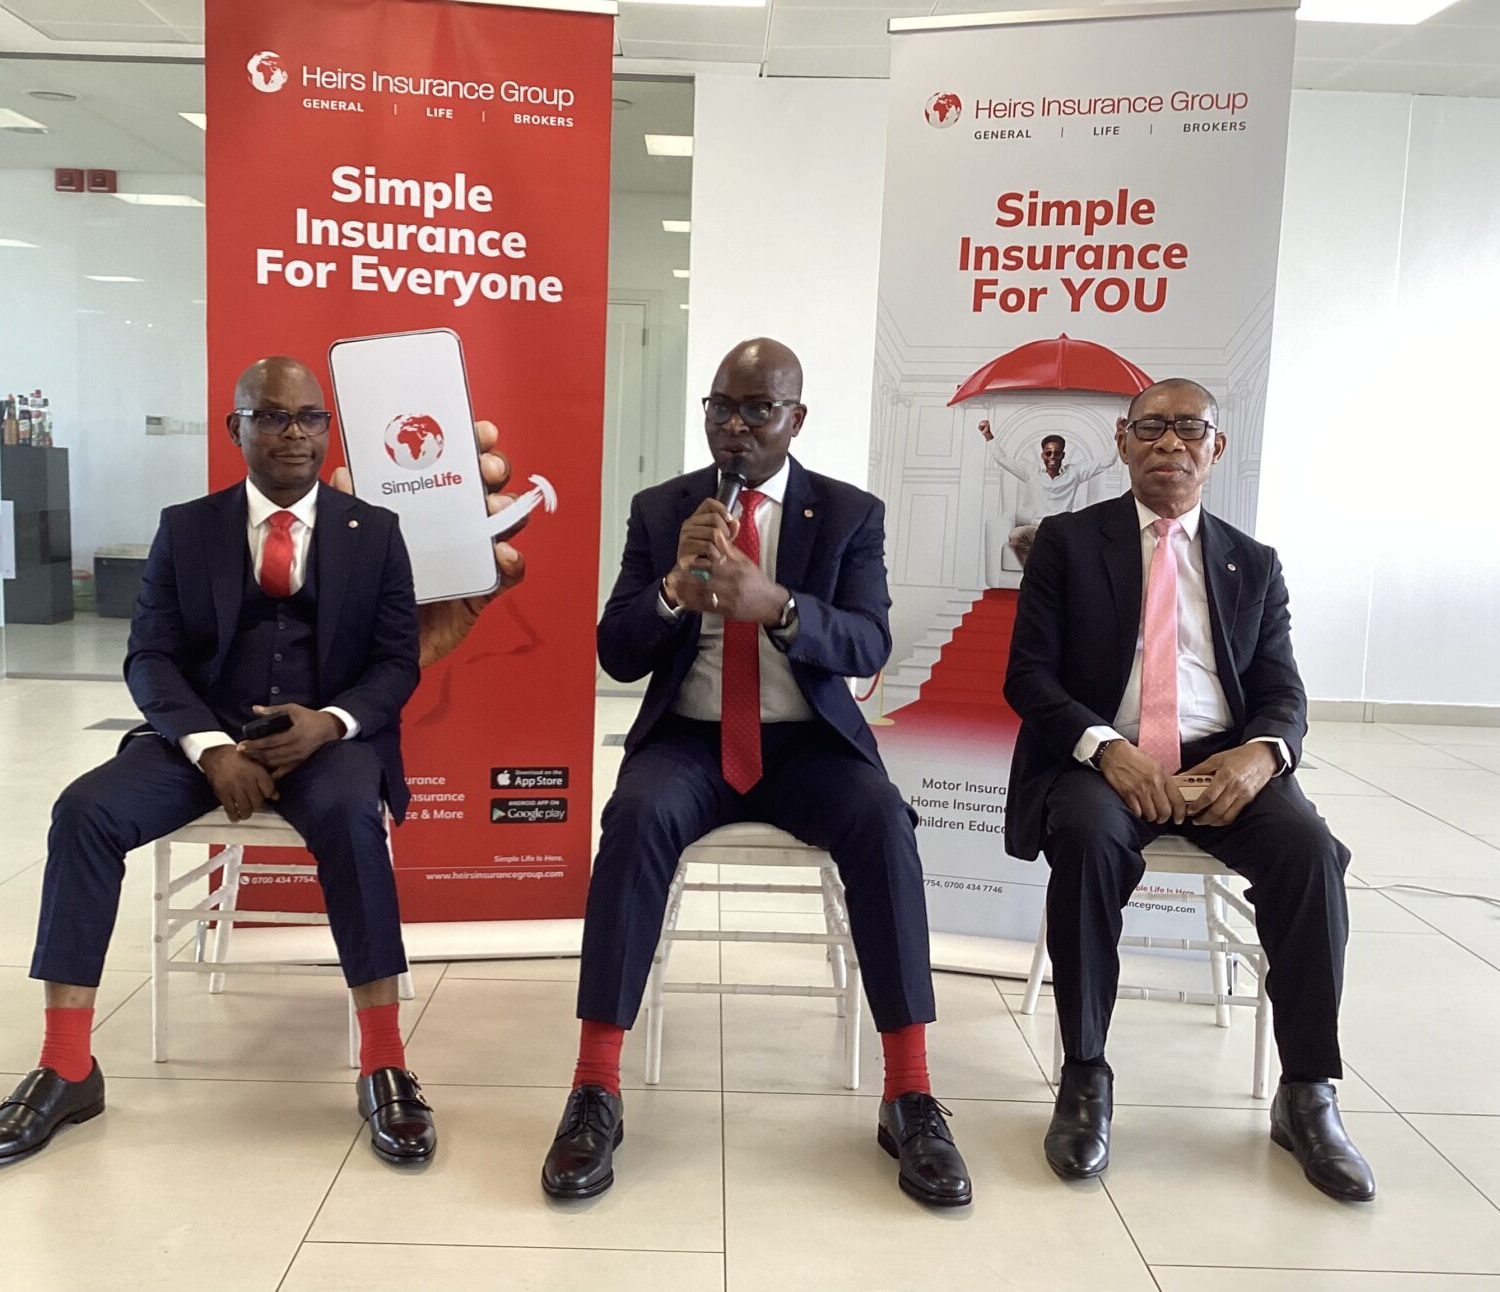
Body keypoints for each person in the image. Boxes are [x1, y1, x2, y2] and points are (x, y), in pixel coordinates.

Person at [0, 356, 524, 1169]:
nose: (295, 433)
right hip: (205, 740)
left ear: (328, 430)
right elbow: (149, 656)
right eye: (272, 416)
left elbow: (395, 663)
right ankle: (67, 1065)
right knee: (84, 812)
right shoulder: (186, 528)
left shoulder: (376, 532)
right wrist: (211, 746)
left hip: (326, 744)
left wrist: (329, 724)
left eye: (310, 418)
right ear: (237, 428)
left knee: (351, 818)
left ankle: (384, 1063)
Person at [539, 338, 970, 1208]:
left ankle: (910, 1093)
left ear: (795, 419)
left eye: (757, 410)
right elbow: (617, 652)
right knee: (634, 818)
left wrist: (777, 606)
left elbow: (869, 642)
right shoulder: (663, 509)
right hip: (691, 741)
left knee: (884, 821)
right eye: (721, 408)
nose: (734, 427)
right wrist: (671, 590)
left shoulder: (848, 514)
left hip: (807, 744)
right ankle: (595, 1088)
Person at [1001, 378, 1374, 1202]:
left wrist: (1262, 756)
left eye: (1189, 429)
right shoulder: (1067, 542)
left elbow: (1282, 690)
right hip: (1105, 756)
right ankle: (1085, 1078)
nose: (1170, 443)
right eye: (1152, 428)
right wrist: (1107, 749)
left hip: (1222, 759)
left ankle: (1308, 1094)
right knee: (1088, 842)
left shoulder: (1254, 562)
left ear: (1216, 448)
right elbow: (1028, 678)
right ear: (1123, 441)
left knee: (1310, 852)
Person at [978, 418, 1113, 565]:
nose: (1052, 457)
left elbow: (1104, 463)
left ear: (1063, 455)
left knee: (1088, 541)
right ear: (1042, 455)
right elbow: (1003, 459)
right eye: (1048, 453)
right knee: (1016, 536)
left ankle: (1057, 572)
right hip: (1038, 528)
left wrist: (1120, 437)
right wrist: (988, 436)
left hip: (1064, 530)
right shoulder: (1032, 473)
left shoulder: (1074, 473)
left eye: (1057, 453)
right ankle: (1033, 571)